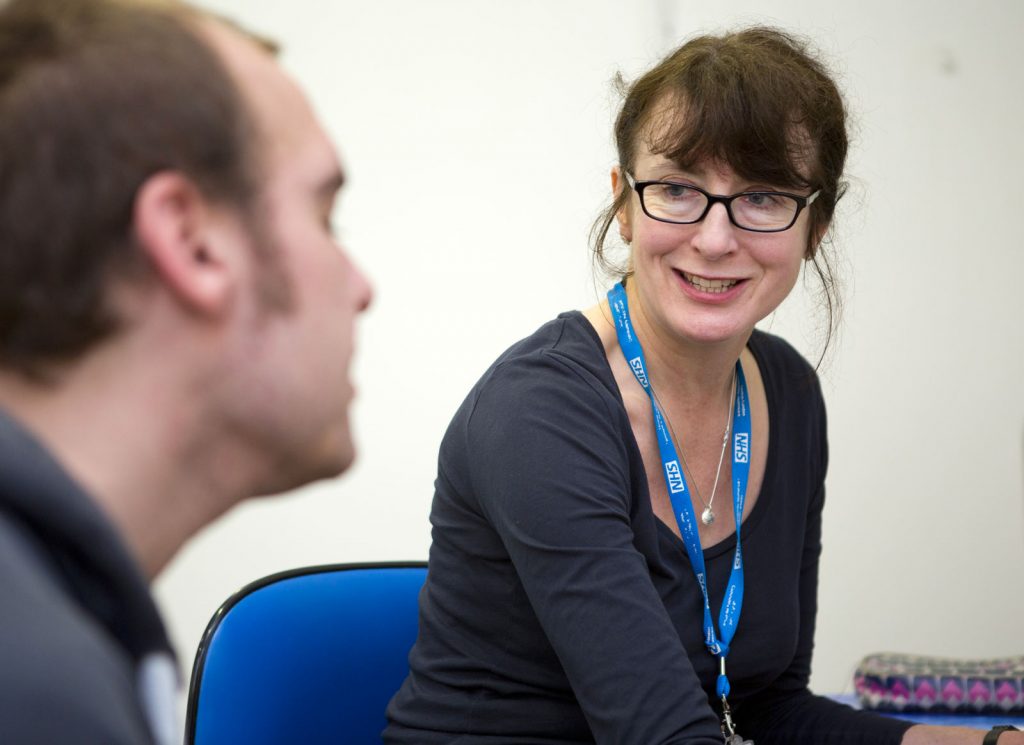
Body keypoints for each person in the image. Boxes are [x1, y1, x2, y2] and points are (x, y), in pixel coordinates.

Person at [384, 27, 1022, 745]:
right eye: (679, 189)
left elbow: (767, 708)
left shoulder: (786, 392)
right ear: (623, 204)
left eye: (762, 196)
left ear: (815, 225)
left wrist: (991, 741)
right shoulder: (538, 412)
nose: (716, 239)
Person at [0, 1, 371, 743]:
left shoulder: (51, 619)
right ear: (192, 243)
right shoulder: (38, 695)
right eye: (323, 215)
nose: (361, 284)